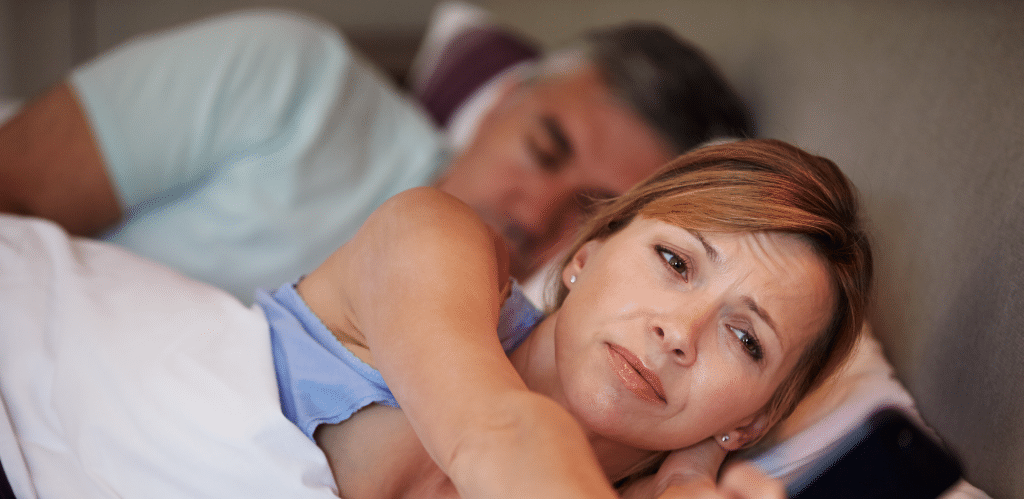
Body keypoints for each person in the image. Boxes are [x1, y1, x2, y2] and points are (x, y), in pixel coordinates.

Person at [255, 138, 871, 499]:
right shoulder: (435, 239)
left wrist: (684, 486)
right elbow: (490, 432)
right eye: (676, 261)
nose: (679, 332)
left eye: (745, 340)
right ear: (586, 256)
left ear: (751, 421)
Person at [0, 10, 751, 302]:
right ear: (502, 99)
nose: (536, 212)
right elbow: (16, 186)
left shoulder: (498, 348)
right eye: (543, 149)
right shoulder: (292, 80)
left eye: (591, 210)